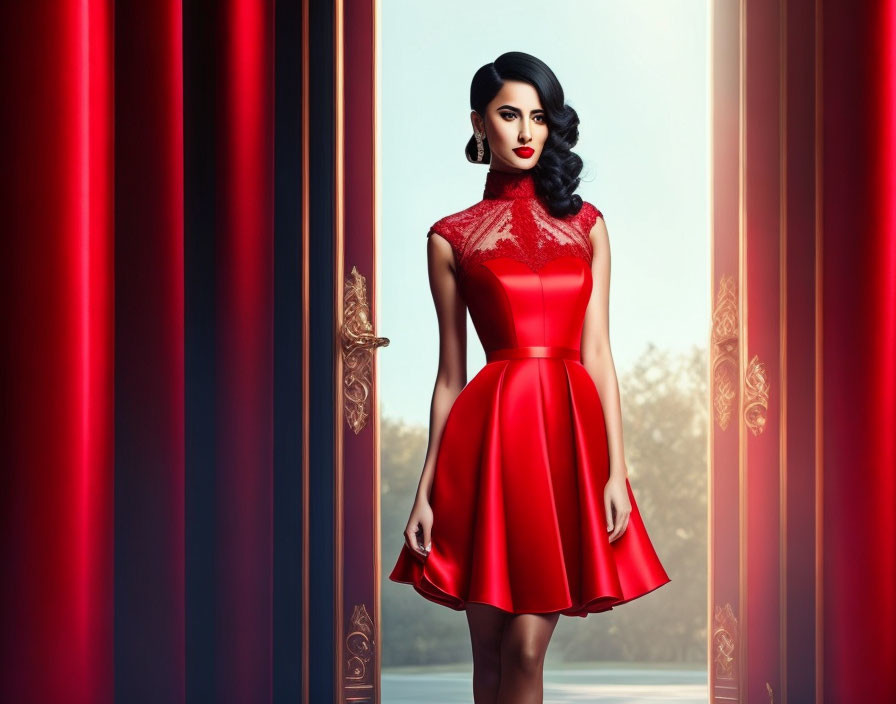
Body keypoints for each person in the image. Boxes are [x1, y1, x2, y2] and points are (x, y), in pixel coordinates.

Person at [388, 51, 671, 704]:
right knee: (488, 657)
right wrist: (425, 492)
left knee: (522, 651)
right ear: (478, 123)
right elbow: (450, 377)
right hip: (485, 446)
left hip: (565, 437)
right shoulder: (449, 237)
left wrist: (616, 473)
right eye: (509, 114)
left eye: (538, 117)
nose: (524, 131)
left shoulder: (588, 225)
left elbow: (598, 352)